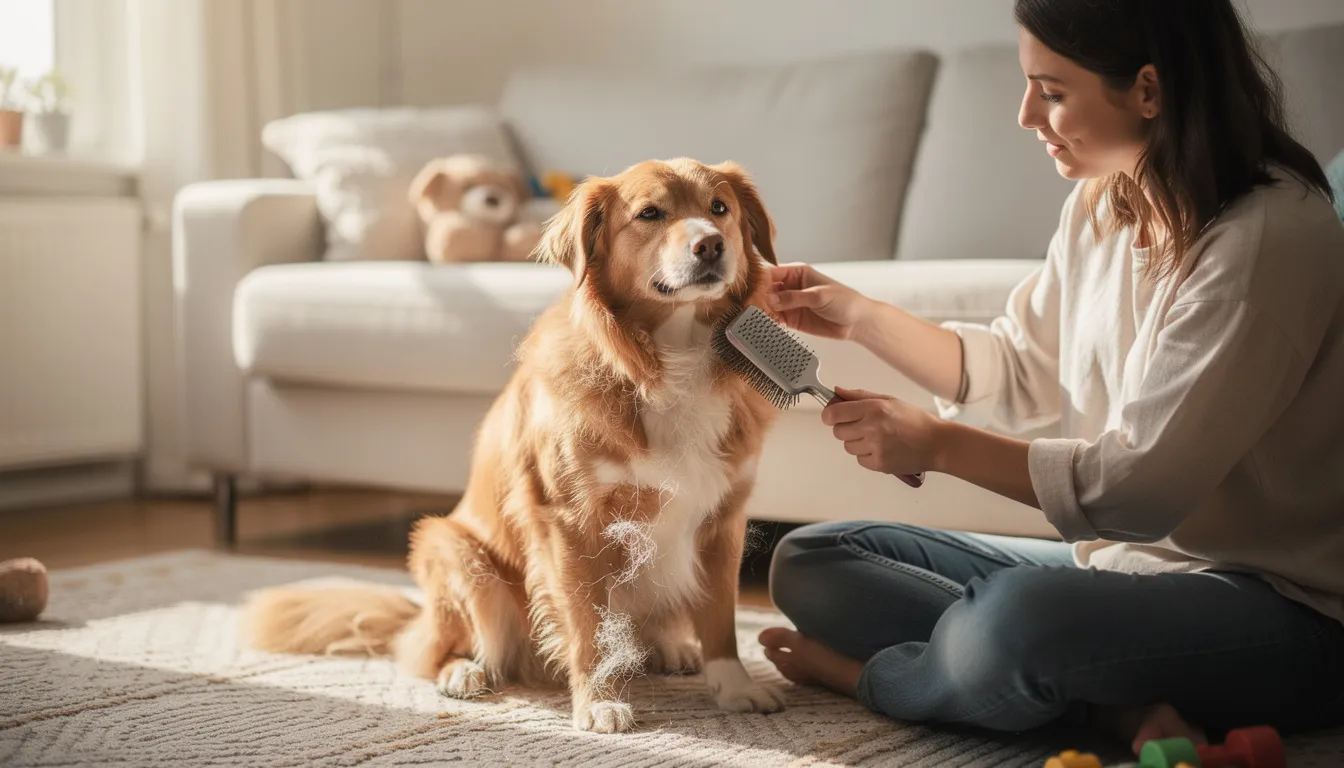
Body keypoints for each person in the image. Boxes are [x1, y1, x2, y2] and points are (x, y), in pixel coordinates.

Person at [757, 0, 1344, 755]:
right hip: (1129, 579)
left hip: (1289, 613)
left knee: (1017, 621)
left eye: (1053, 91)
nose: (1027, 113)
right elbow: (1020, 369)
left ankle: (876, 679)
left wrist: (935, 444)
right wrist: (859, 315)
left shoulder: (1267, 238)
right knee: (815, 562)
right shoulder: (1104, 205)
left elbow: (1139, 489)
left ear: (1149, 90)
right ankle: (1111, 706)